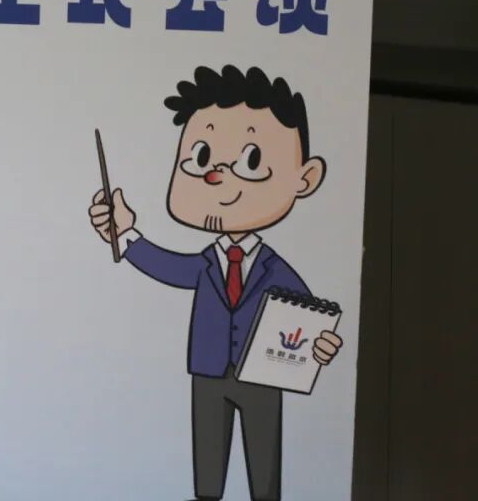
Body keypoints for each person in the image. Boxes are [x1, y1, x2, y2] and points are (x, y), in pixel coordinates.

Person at [88, 65, 343, 501]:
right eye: (201, 158)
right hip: (207, 373)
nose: (217, 175)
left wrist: (322, 346)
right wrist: (126, 234)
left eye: (252, 161)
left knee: (264, 471)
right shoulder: (207, 262)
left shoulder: (275, 269)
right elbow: (170, 267)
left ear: (305, 178)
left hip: (262, 377)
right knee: (208, 473)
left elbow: (308, 314)